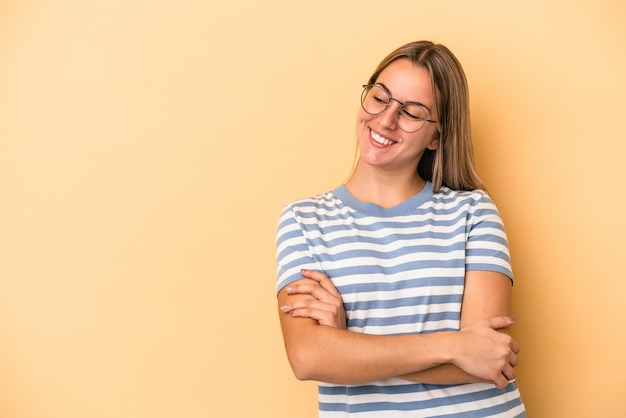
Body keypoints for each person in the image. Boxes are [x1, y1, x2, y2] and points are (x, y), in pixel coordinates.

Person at [275, 40, 525, 417]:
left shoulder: (473, 212)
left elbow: (487, 359)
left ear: (437, 136)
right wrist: (454, 345)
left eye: (412, 112)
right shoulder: (304, 220)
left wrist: (347, 346)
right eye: (380, 98)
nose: (386, 120)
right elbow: (308, 357)